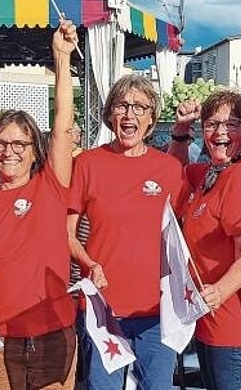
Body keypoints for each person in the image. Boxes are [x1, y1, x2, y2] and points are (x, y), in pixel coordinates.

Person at [0, 20, 77, 390]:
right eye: (0, 144)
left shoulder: (51, 188)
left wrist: (61, 58)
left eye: (19, 144)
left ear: (34, 150)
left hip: (53, 335)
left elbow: (62, 126)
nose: (9, 151)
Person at [68, 74, 183, 390]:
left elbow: (185, 235)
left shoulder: (170, 169)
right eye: (122, 105)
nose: (130, 114)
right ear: (109, 115)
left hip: (158, 311)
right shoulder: (88, 163)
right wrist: (88, 264)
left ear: (151, 118)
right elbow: (68, 234)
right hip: (103, 309)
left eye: (139, 107)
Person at [170, 92, 241, 390]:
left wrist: (217, 292)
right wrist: (181, 129)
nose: (221, 132)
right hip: (207, 320)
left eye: (233, 124)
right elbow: (174, 171)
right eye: (212, 124)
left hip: (233, 324)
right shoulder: (209, 174)